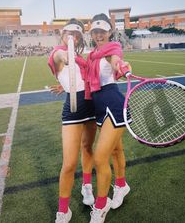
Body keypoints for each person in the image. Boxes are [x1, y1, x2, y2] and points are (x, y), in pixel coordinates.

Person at [48, 18, 97, 223]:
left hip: (91, 104)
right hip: (73, 109)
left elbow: (84, 76)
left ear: (79, 38)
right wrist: (66, 56)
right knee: (69, 163)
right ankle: (63, 210)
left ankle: (87, 186)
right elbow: (60, 58)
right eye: (69, 33)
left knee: (87, 148)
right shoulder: (57, 52)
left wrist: (64, 84)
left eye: (76, 35)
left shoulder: (81, 56)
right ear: (63, 34)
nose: (72, 37)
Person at [85, 13, 131, 223]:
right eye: (95, 31)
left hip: (113, 105)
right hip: (99, 107)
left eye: (102, 31)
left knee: (99, 158)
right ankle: (121, 185)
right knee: (116, 150)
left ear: (110, 32)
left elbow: (116, 62)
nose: (98, 35)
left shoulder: (112, 49)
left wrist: (121, 66)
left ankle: (101, 206)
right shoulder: (92, 53)